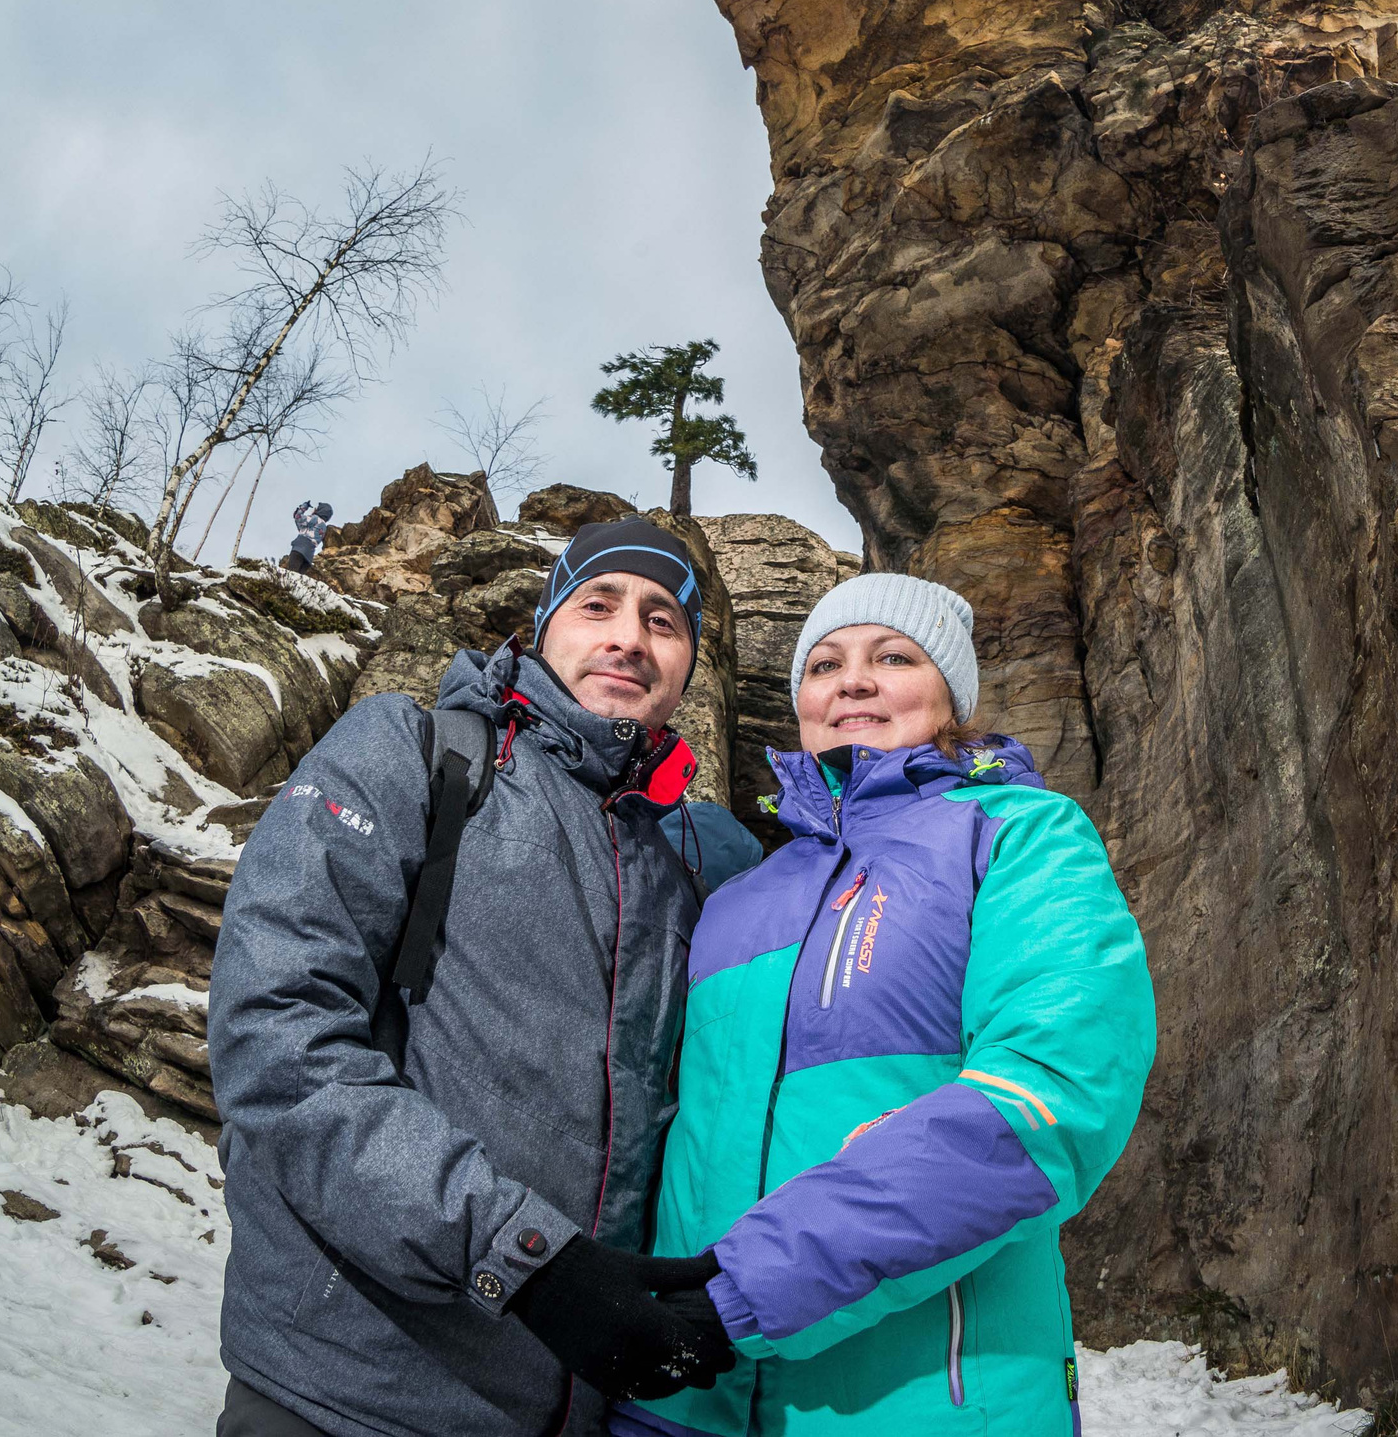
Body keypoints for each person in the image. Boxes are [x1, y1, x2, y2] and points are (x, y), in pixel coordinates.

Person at [208, 517, 735, 1437]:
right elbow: (276, 1030)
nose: (627, 636)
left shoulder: (694, 858)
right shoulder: (417, 755)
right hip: (347, 1390)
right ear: (541, 627)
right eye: (597, 604)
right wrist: (527, 1258)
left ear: (688, 661)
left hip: (567, 1406)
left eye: (664, 620)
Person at [615, 574, 1155, 1437]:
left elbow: (1052, 1098)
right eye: (824, 663)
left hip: (926, 1402)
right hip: (686, 1397)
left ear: (952, 696)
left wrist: (749, 1288)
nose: (852, 681)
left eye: (893, 656)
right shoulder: (735, 898)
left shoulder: (1019, 834)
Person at [285, 500, 331, 575]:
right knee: (298, 578)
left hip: (299, 549)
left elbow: (298, 517)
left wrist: (303, 507)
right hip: (309, 555)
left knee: (291, 574)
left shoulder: (315, 519)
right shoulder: (323, 527)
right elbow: (303, 528)